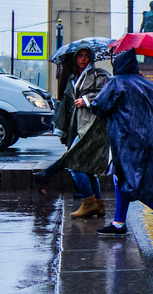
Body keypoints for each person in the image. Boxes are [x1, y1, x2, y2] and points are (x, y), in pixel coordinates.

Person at [90, 50, 153, 237]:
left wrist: (88, 103)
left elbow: (98, 106)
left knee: (128, 181)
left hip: (126, 141)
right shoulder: (152, 87)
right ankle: (119, 222)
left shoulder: (116, 82)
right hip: (149, 141)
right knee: (128, 179)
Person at [35, 48, 110, 217]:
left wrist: (87, 100)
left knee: (74, 164)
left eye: (86, 56)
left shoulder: (100, 75)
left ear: (91, 58)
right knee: (87, 168)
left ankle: (88, 202)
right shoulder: (72, 79)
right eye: (80, 56)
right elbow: (66, 106)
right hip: (79, 126)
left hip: (95, 126)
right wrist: (61, 129)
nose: (83, 59)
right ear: (75, 59)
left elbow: (107, 93)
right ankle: (98, 205)